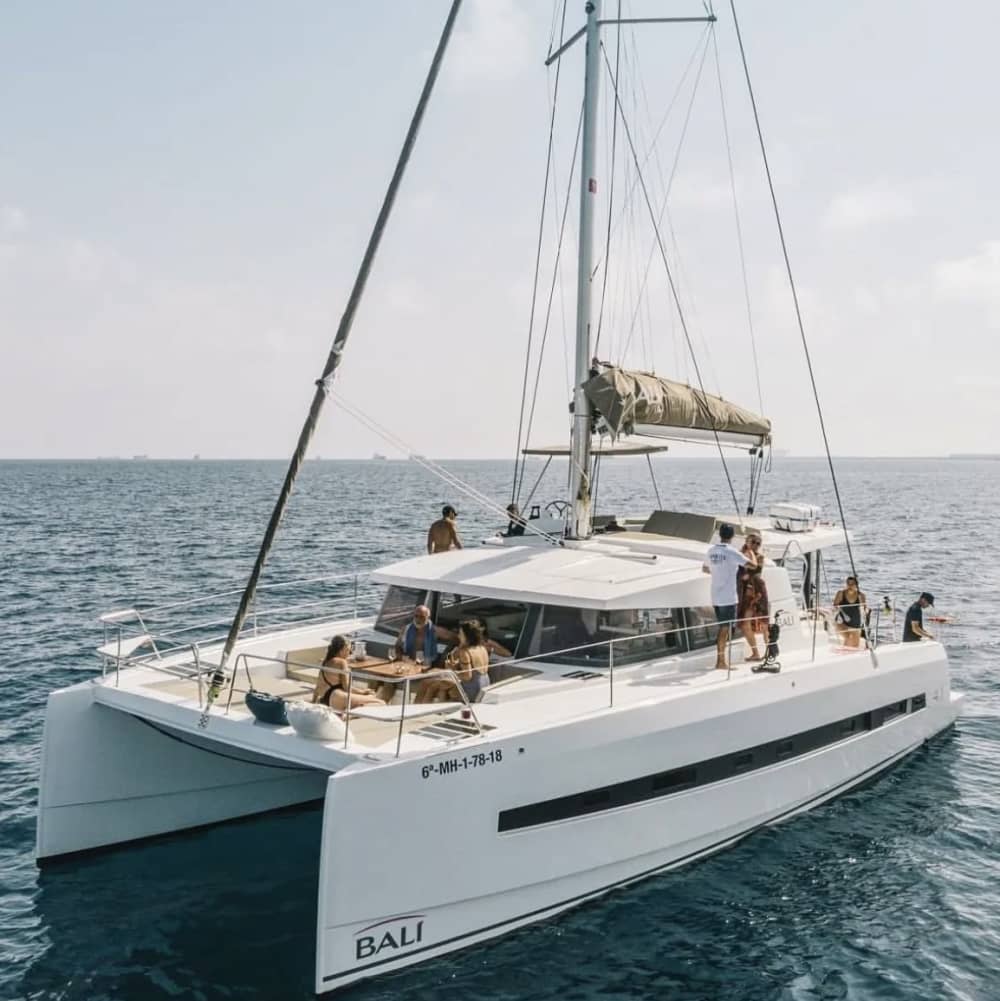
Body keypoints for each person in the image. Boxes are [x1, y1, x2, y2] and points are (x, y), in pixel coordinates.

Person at [702, 523, 756, 669]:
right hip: (728, 597)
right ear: (732, 536)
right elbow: (752, 566)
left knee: (723, 627)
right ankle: (720, 662)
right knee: (724, 630)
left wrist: (719, 572)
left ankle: (721, 661)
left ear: (720, 535)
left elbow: (705, 568)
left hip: (715, 596)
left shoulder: (711, 551)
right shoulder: (732, 552)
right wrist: (751, 553)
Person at [416, 619, 490, 704]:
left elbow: (467, 676)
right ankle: (438, 710)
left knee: (431, 686)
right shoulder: (482, 648)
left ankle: (418, 710)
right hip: (484, 685)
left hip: (471, 690)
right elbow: (474, 669)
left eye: (461, 634)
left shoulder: (465, 652)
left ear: (467, 636)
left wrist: (452, 671)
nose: (458, 636)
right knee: (436, 686)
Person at [312, 635, 385, 712]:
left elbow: (318, 686)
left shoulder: (325, 661)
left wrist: (313, 702)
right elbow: (346, 687)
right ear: (341, 650)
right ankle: (348, 716)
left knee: (369, 697)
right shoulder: (342, 662)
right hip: (336, 697)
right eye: (348, 650)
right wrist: (362, 692)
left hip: (324, 699)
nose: (349, 653)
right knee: (380, 702)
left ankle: (354, 709)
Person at [737, 533, 769, 660]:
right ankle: (755, 653)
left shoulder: (759, 557)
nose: (755, 545)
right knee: (745, 624)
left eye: (758, 543)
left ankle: (769, 651)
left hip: (758, 591)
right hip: (746, 593)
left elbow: (752, 572)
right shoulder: (739, 555)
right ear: (747, 541)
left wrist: (748, 553)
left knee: (765, 623)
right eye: (753, 542)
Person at [832, 576, 868, 648]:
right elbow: (834, 606)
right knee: (848, 636)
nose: (850, 586)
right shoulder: (840, 593)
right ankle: (843, 654)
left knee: (855, 645)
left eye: (852, 584)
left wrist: (866, 611)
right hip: (842, 622)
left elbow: (864, 609)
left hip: (855, 624)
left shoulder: (861, 595)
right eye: (848, 583)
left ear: (856, 585)